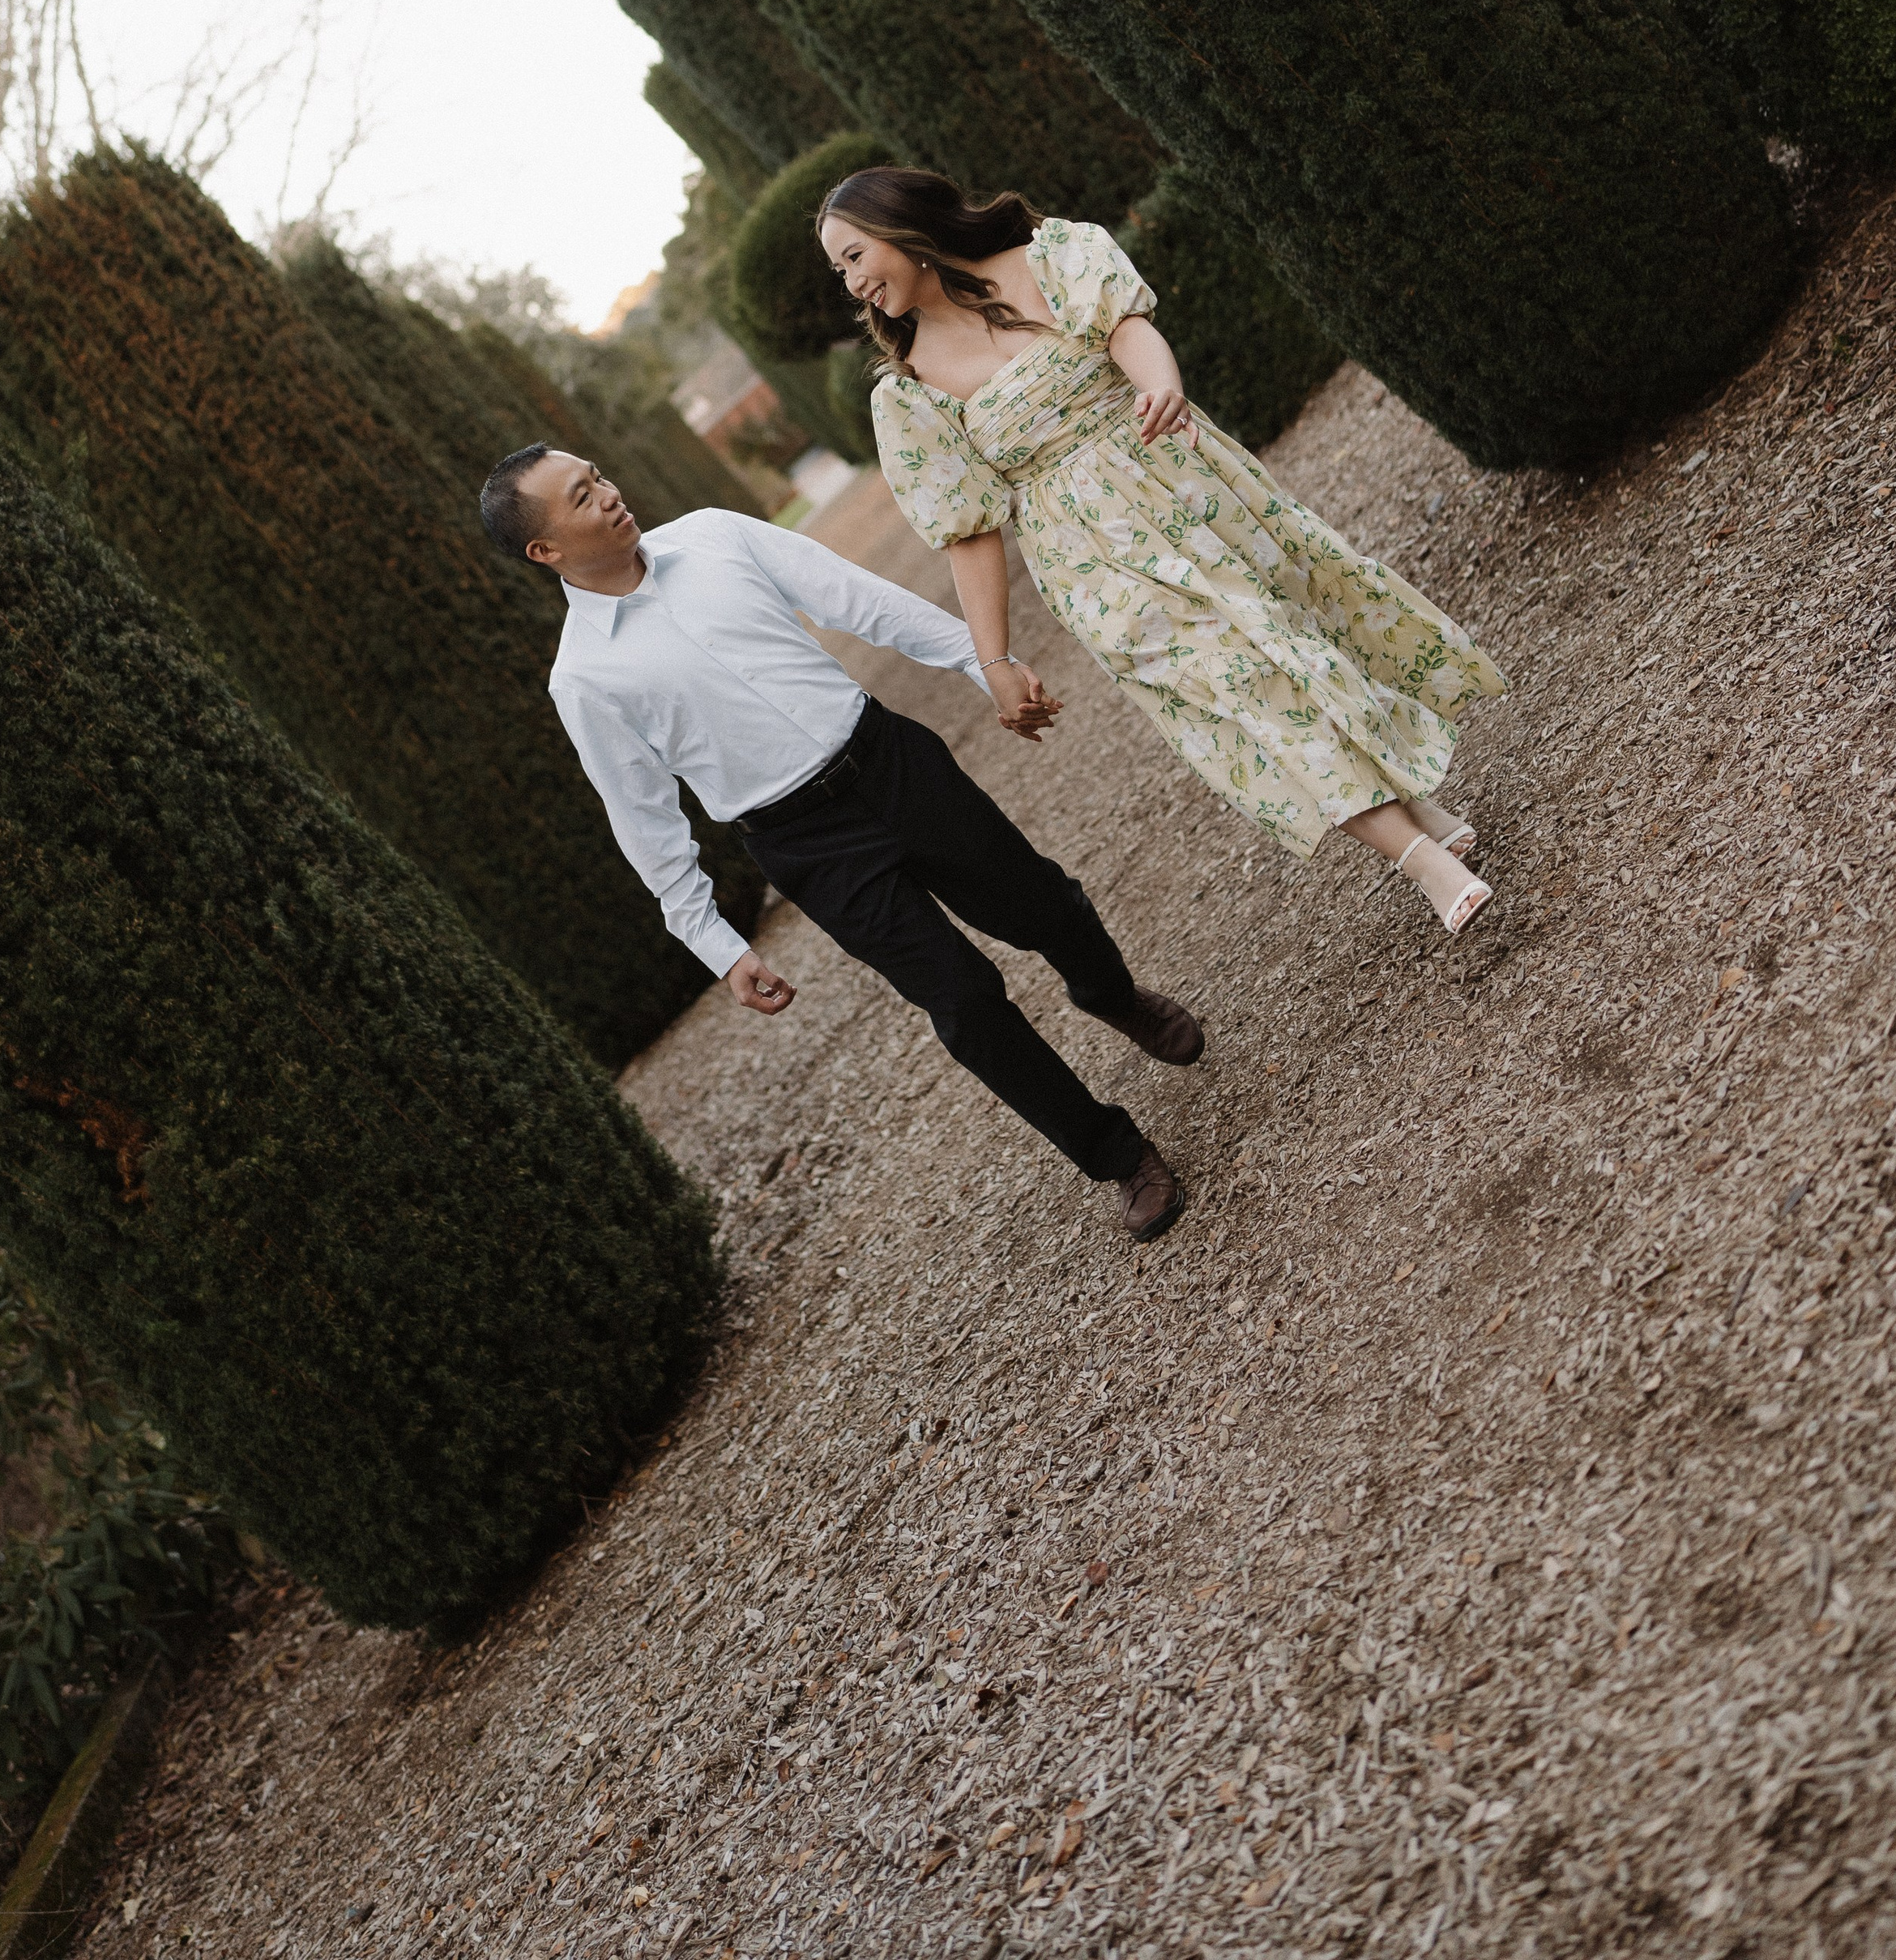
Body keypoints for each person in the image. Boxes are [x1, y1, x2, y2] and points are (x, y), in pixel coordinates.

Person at [480, 444, 1203, 1243]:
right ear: (543, 550)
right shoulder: (583, 678)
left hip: (890, 762)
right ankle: (1116, 1154)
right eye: (582, 497)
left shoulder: (716, 536)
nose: (610, 494)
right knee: (962, 1001)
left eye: (600, 476)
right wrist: (716, 945)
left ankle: (1111, 995)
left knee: (1042, 906)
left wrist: (980, 660)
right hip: (806, 844)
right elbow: (642, 818)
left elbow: (862, 602)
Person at [817, 170, 1506, 934]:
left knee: (1294, 641)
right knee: (1239, 690)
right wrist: (996, 659)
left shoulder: (1049, 257)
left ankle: (1412, 808)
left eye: (853, 256)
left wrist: (1160, 384)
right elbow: (968, 532)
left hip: (1186, 484)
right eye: (839, 269)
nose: (851, 283)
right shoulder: (908, 394)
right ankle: (1422, 861)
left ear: (904, 227)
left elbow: (1125, 329)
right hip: (1091, 564)